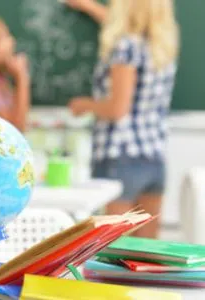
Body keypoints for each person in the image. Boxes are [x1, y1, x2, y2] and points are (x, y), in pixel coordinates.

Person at [66, 0, 179, 238]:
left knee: (113, 252)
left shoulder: (124, 46)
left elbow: (117, 109)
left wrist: (84, 105)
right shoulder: (162, 47)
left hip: (120, 158)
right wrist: (88, 7)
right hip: (154, 160)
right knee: (147, 258)